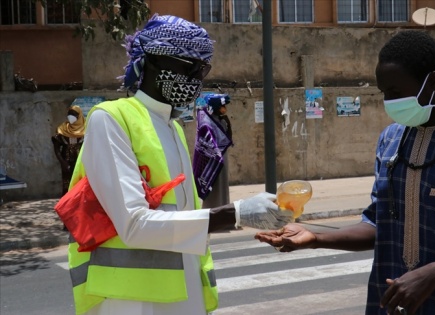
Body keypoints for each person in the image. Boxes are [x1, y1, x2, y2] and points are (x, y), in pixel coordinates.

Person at [255, 31, 435, 315]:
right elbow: (379, 224)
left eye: (395, 92)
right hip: (394, 305)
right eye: (384, 93)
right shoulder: (391, 141)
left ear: (432, 81)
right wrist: (316, 238)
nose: (389, 102)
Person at [66, 14, 291, 315]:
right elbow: (134, 224)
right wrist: (236, 214)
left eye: (204, 68)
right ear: (154, 62)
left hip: (184, 297)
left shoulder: (172, 128)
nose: (199, 77)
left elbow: (184, 219)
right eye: (191, 67)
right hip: (131, 303)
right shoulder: (110, 118)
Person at [198, 93, 233, 209]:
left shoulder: (220, 120)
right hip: (212, 159)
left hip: (222, 156)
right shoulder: (207, 121)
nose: (225, 109)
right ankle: (212, 210)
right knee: (214, 184)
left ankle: (223, 208)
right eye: (222, 106)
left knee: (222, 184)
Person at [51, 105, 85, 196]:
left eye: (74, 114)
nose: (71, 116)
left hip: (81, 163)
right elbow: (56, 147)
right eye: (69, 114)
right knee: (67, 185)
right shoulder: (63, 129)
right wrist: (62, 162)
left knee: (81, 185)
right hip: (66, 161)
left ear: (79, 116)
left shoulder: (85, 129)